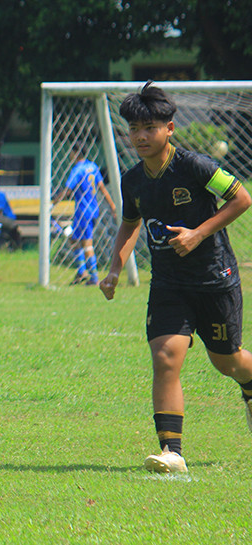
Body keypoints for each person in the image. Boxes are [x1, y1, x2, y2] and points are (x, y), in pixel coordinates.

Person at [99, 81, 252, 474]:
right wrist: (115, 269)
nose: (140, 136)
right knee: (166, 356)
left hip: (214, 279)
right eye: (134, 129)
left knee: (228, 362)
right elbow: (130, 223)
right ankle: (172, 453)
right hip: (168, 284)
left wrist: (199, 233)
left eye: (149, 127)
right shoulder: (133, 180)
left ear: (169, 128)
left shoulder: (197, 166)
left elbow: (241, 198)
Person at [52, 142, 117, 285]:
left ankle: (94, 278)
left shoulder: (77, 169)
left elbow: (68, 189)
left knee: (87, 244)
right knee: (74, 239)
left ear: (75, 153)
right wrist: (112, 206)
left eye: (71, 152)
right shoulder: (93, 167)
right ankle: (82, 272)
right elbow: (102, 188)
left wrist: (53, 203)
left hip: (83, 211)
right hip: (93, 210)